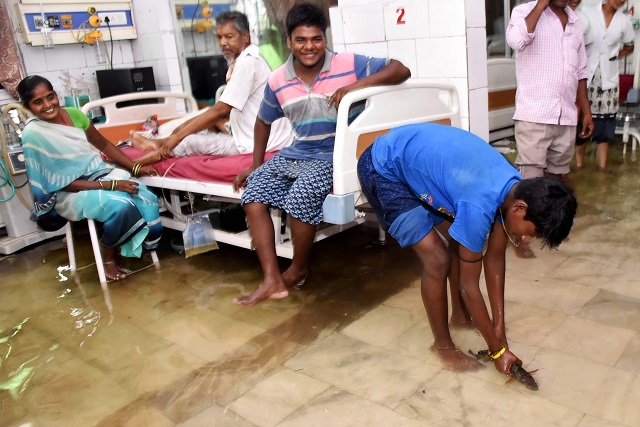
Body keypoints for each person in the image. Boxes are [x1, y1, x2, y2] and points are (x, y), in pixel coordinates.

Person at [357, 122, 577, 373]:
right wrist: (498, 351)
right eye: (530, 233)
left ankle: (460, 317)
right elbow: (469, 285)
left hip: (420, 166)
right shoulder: (480, 204)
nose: (526, 240)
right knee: (438, 260)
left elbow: (494, 260)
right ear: (520, 208)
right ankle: (442, 346)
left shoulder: (514, 187)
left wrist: (499, 328)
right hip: (382, 169)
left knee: (459, 242)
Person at [231, 3, 411, 306]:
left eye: (316, 39)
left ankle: (298, 270)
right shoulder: (277, 80)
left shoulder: (348, 63)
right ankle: (272, 280)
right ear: (289, 42)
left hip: (336, 154)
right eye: (301, 40)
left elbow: (401, 70)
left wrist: (355, 87)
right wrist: (256, 165)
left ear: (324, 39)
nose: (309, 47)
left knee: (301, 197)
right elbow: (263, 121)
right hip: (297, 152)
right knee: (253, 194)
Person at [18, 75, 163, 281]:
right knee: (120, 205)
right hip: (69, 192)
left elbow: (104, 145)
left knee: (145, 196)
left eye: (51, 97)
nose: (48, 105)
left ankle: (130, 245)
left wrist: (135, 167)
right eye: (38, 101)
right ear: (27, 106)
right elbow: (62, 183)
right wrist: (113, 185)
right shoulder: (33, 134)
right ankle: (108, 254)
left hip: (98, 174)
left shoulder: (75, 115)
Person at [130, 11, 292, 165]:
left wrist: (179, 136)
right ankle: (158, 142)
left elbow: (220, 109)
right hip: (254, 131)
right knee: (203, 121)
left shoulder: (248, 63)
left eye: (229, 37)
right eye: (219, 37)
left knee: (189, 141)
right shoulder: (245, 59)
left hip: (257, 142)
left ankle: (141, 159)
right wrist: (180, 129)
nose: (223, 42)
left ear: (245, 36)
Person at [506, 0, 592, 258]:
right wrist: (541, 4)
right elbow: (517, 40)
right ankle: (522, 238)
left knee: (557, 178)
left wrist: (586, 110)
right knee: (530, 179)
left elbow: (580, 71)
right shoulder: (524, 12)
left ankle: (552, 226)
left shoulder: (576, 23)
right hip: (534, 112)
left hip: (565, 114)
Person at [575, 0, 634, 171]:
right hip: (586, 76)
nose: (620, 1)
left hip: (608, 78)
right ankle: (579, 166)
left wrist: (616, 55)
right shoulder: (587, 12)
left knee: (605, 126)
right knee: (581, 124)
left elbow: (630, 45)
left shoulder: (623, 20)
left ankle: (601, 170)